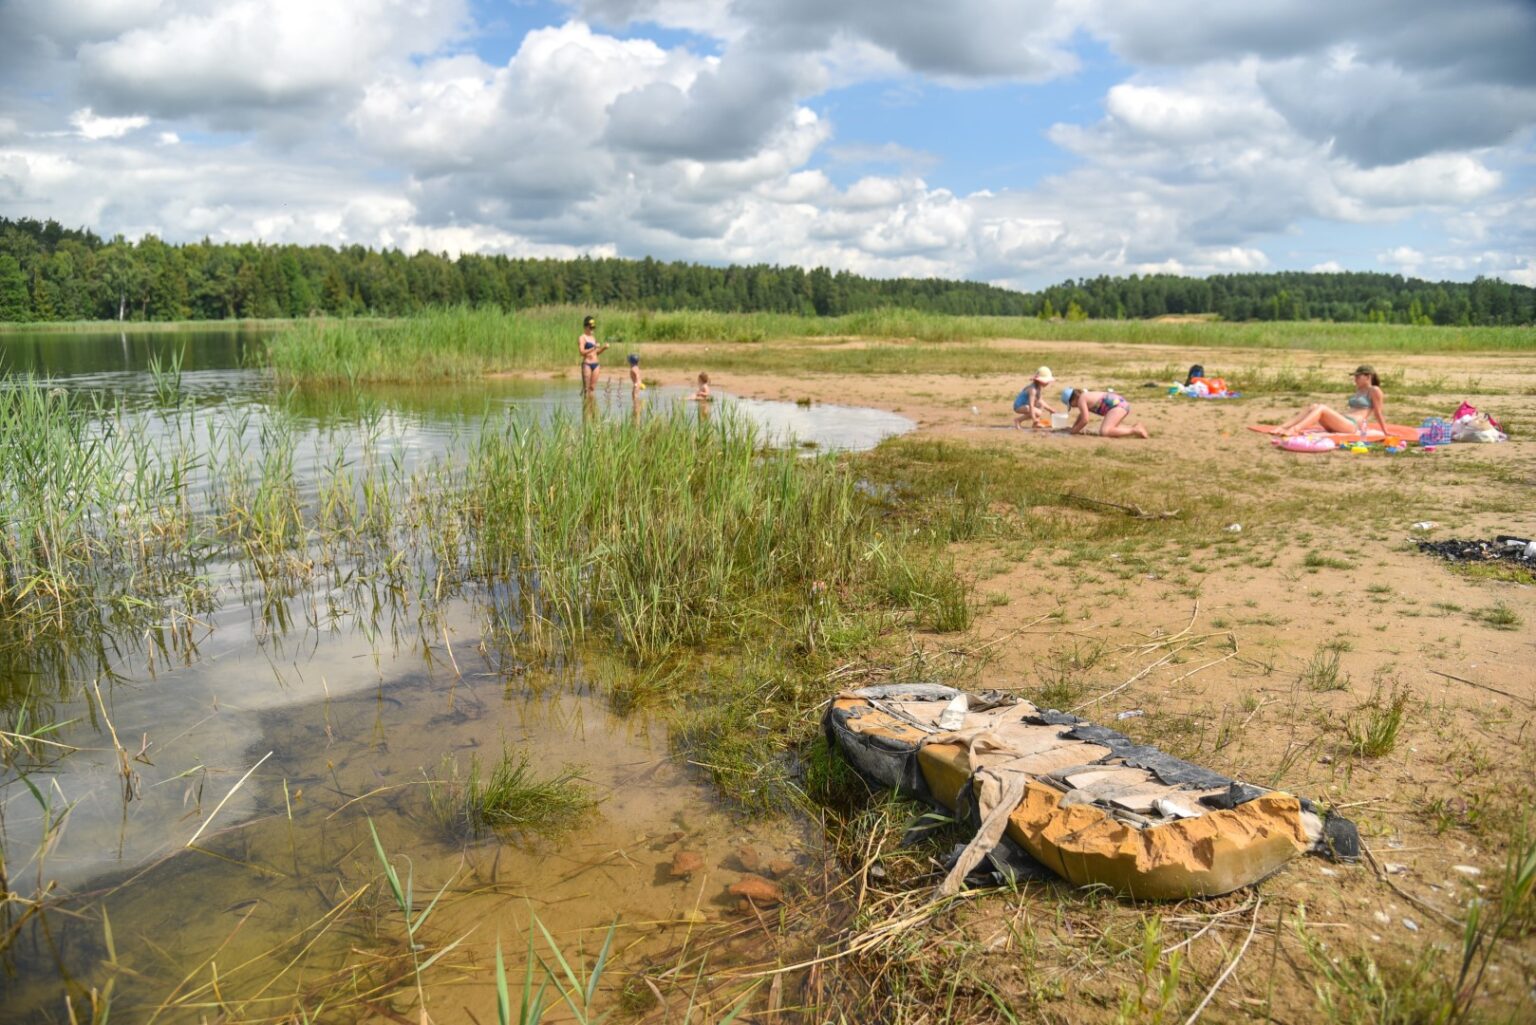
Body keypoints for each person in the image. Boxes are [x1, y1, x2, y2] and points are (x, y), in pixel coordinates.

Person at [1275, 365, 1387, 438]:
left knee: (1322, 408)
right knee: (1314, 406)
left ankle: (1295, 429)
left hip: (1351, 426)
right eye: (1355, 376)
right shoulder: (1359, 390)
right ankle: (1284, 426)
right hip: (1341, 421)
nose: (1355, 379)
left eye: (1358, 376)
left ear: (1368, 376)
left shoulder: (1375, 390)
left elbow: (1378, 413)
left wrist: (1385, 432)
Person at [1061, 386, 1149, 439]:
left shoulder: (1081, 399)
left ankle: (1134, 430)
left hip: (1116, 407)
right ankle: (1135, 427)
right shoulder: (1084, 396)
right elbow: (1081, 416)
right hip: (1120, 404)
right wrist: (1073, 428)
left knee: (1105, 432)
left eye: (1071, 405)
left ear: (1073, 400)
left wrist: (1074, 431)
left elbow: (1085, 420)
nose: (1073, 407)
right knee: (1112, 428)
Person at [578, 315, 608, 394]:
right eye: (591, 327)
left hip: (596, 364)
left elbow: (596, 353)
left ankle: (591, 406)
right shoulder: (582, 338)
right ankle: (586, 405)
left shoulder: (593, 338)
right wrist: (593, 347)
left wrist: (604, 348)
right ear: (586, 327)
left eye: (593, 327)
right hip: (587, 364)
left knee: (592, 388)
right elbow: (581, 352)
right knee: (586, 390)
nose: (592, 329)